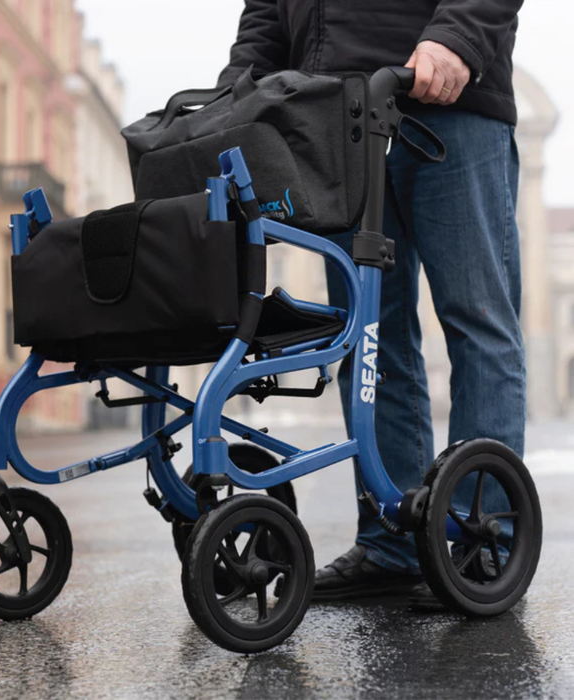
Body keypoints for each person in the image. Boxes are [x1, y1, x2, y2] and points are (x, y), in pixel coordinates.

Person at [218, 0, 525, 606]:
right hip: (335, 122)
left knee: (476, 318)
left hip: (447, 98)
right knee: (368, 333)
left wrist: (458, 38)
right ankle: (395, 542)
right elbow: (265, 14)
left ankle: (476, 542)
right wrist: (238, 93)